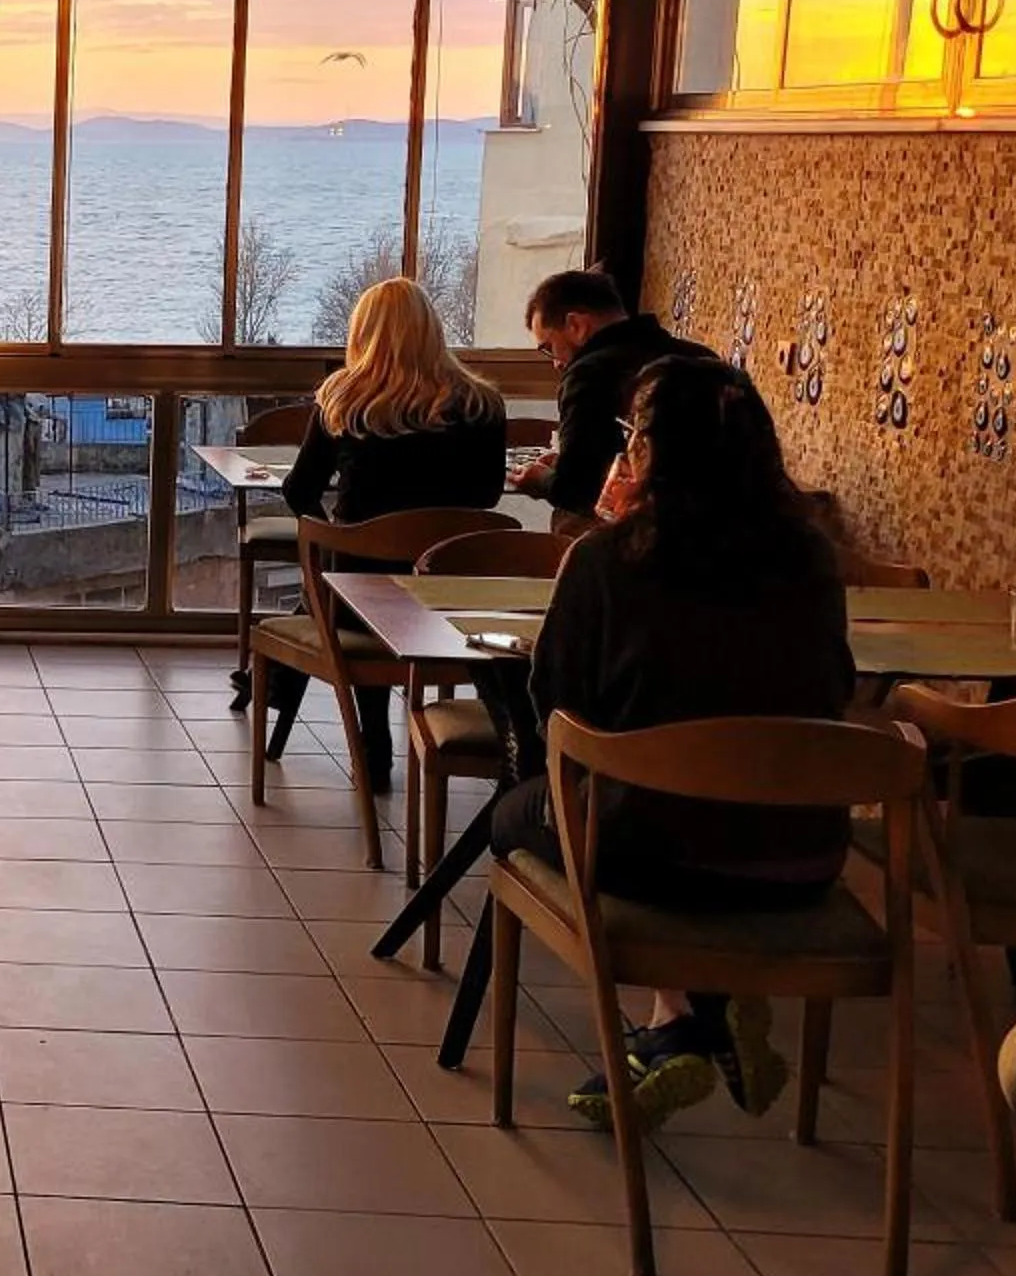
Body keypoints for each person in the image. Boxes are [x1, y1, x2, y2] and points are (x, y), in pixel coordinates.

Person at [485, 354, 854, 1131]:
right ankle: (683, 1018)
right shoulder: (811, 559)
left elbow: (558, 710)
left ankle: (685, 1020)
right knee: (676, 810)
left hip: (650, 859)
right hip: (802, 857)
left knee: (515, 815)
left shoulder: (606, 562)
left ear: (646, 451)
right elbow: (837, 687)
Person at [264, 278, 508, 792]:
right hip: (449, 596)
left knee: (341, 584)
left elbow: (299, 491)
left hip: (363, 598)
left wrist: (335, 533)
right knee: (353, 584)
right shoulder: (483, 405)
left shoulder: (344, 402)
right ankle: (498, 743)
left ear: (363, 332)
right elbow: (487, 498)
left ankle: (372, 747)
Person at [512, 269, 711, 532]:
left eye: (549, 348)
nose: (557, 363)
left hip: (643, 540)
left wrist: (543, 481)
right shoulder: (704, 359)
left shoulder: (588, 375)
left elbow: (576, 490)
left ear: (576, 326)